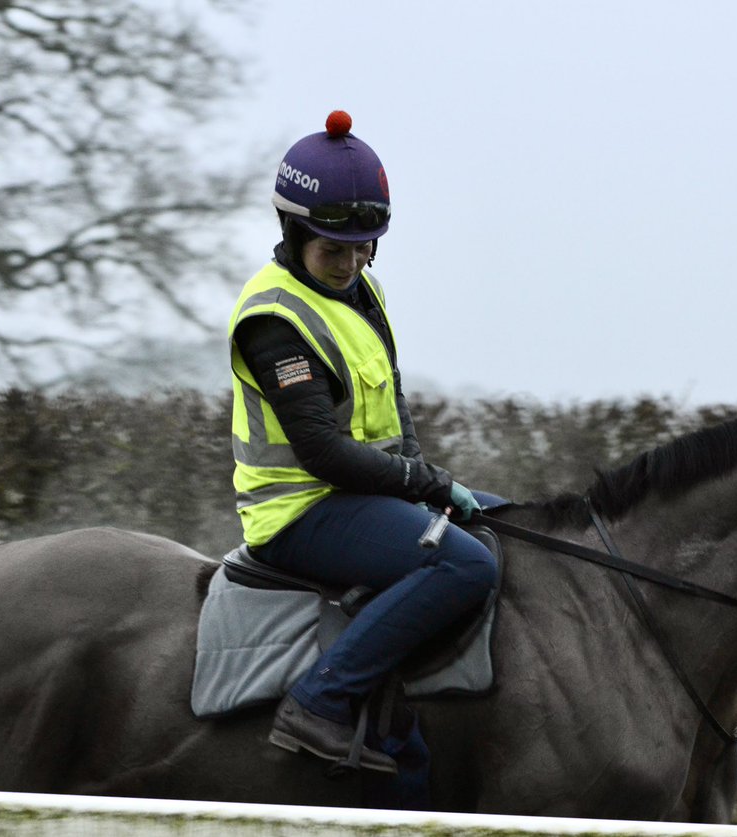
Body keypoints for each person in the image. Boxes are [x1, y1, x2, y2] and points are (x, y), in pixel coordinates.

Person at [227, 111, 499, 784]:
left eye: (364, 249)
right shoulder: (272, 318)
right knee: (465, 568)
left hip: (362, 496)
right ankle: (318, 701)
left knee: (506, 525)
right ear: (293, 234)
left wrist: (420, 477)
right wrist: (427, 483)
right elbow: (321, 451)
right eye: (334, 252)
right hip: (298, 513)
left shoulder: (361, 288)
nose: (350, 265)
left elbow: (391, 402)